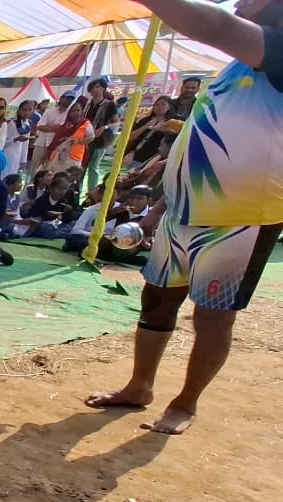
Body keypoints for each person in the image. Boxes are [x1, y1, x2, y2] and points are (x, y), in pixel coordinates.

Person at [88, 0, 283, 435]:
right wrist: (159, 208)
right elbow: (193, 144)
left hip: (241, 220)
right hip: (181, 213)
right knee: (157, 300)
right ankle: (140, 386)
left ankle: (186, 403)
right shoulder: (234, 70)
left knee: (213, 315)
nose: (237, 2)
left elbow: (216, 26)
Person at [63, 185, 151, 254]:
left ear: (148, 201)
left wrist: (143, 242)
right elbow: (95, 223)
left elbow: (148, 241)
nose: (134, 201)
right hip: (113, 242)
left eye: (139, 199)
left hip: (130, 246)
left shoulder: (151, 216)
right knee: (73, 238)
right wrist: (111, 213)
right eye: (132, 198)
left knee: (124, 251)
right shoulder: (122, 210)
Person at [81, 78, 119, 194]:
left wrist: (104, 127)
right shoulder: (87, 104)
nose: (94, 90)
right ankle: (77, 190)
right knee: (82, 166)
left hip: (100, 140)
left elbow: (117, 122)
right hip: (85, 138)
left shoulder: (109, 105)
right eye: (92, 88)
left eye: (97, 87)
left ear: (103, 88)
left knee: (93, 166)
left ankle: (92, 193)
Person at [124, 96, 178, 167]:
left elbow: (179, 135)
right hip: (137, 156)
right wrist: (146, 126)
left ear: (169, 107)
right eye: (157, 105)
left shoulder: (174, 121)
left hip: (158, 158)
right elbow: (131, 137)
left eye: (163, 104)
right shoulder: (145, 120)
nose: (159, 107)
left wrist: (162, 129)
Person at [45, 102, 93, 174]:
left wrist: (78, 141)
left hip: (73, 158)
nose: (76, 113)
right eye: (73, 110)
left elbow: (91, 137)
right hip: (57, 156)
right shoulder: (64, 124)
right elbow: (56, 139)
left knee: (68, 178)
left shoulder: (85, 123)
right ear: (69, 112)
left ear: (82, 111)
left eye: (78, 110)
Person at [30, 93, 74, 172]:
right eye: (67, 98)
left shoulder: (70, 115)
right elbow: (39, 126)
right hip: (41, 142)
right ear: (61, 98)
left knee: (49, 168)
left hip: (56, 145)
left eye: (71, 99)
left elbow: (62, 129)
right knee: (34, 166)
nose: (68, 101)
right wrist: (55, 128)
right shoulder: (49, 112)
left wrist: (47, 127)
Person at [4, 100, 36, 176]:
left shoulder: (28, 124)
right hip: (8, 153)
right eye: (24, 109)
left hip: (19, 155)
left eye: (30, 110)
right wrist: (16, 139)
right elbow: (4, 141)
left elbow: (25, 145)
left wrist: (23, 160)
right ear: (19, 110)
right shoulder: (12, 123)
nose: (27, 112)